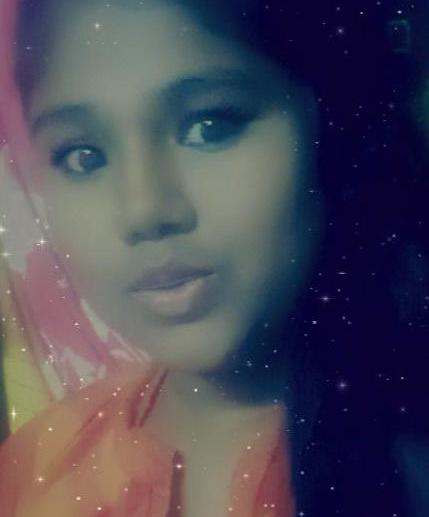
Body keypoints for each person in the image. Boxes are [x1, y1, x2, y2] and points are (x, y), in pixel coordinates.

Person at [0, 0, 411, 515]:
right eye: (84, 157)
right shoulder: (32, 475)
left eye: (209, 126)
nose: (144, 210)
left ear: (328, 121)